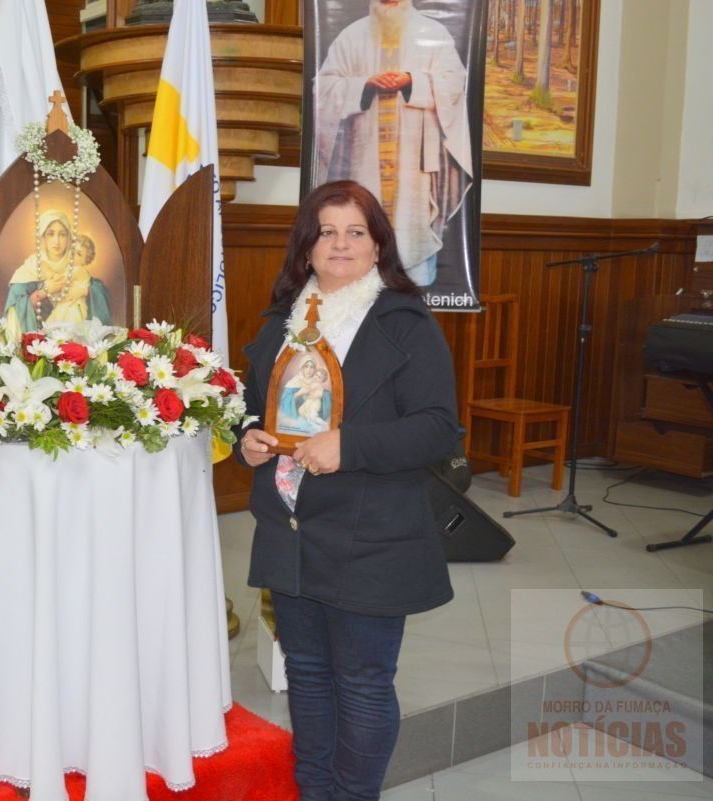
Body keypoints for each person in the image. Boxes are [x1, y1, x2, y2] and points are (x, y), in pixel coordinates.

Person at [234, 180, 457, 801]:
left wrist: (348, 445)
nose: (340, 244)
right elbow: (253, 409)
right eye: (326, 231)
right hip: (291, 531)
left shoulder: (403, 322)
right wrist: (248, 436)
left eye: (355, 232)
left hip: (371, 534)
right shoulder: (281, 321)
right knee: (306, 675)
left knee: (361, 682)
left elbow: (439, 428)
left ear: (378, 245)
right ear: (306, 248)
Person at [314, 0, 473, 287]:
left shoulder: (433, 33)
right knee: (358, 259)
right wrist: (365, 84)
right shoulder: (352, 36)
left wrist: (411, 81)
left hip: (414, 170)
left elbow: (454, 83)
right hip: (363, 169)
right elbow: (323, 89)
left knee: (411, 252)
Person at [4, 212, 112, 340]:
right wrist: (44, 291)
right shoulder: (29, 269)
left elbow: (101, 293)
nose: (57, 241)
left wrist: (84, 291)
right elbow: (13, 312)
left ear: (69, 238)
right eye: (50, 234)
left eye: (62, 234)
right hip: (38, 348)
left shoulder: (77, 265)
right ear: (42, 237)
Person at [279, 357, 332, 435]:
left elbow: (327, 403)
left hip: (313, 413)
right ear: (301, 368)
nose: (309, 370)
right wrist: (298, 394)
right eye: (306, 366)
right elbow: (284, 402)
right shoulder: (294, 382)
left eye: (312, 367)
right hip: (294, 424)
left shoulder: (317, 383)